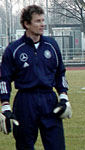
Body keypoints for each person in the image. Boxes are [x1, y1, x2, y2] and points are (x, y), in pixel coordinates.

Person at [0, 5, 72, 150]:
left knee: (57, 146)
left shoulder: (51, 45)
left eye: (43, 20)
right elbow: (4, 79)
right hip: (25, 102)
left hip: (49, 100)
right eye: (38, 21)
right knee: (24, 145)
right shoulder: (13, 49)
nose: (42, 24)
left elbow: (60, 73)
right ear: (27, 24)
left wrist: (63, 97)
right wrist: (5, 106)